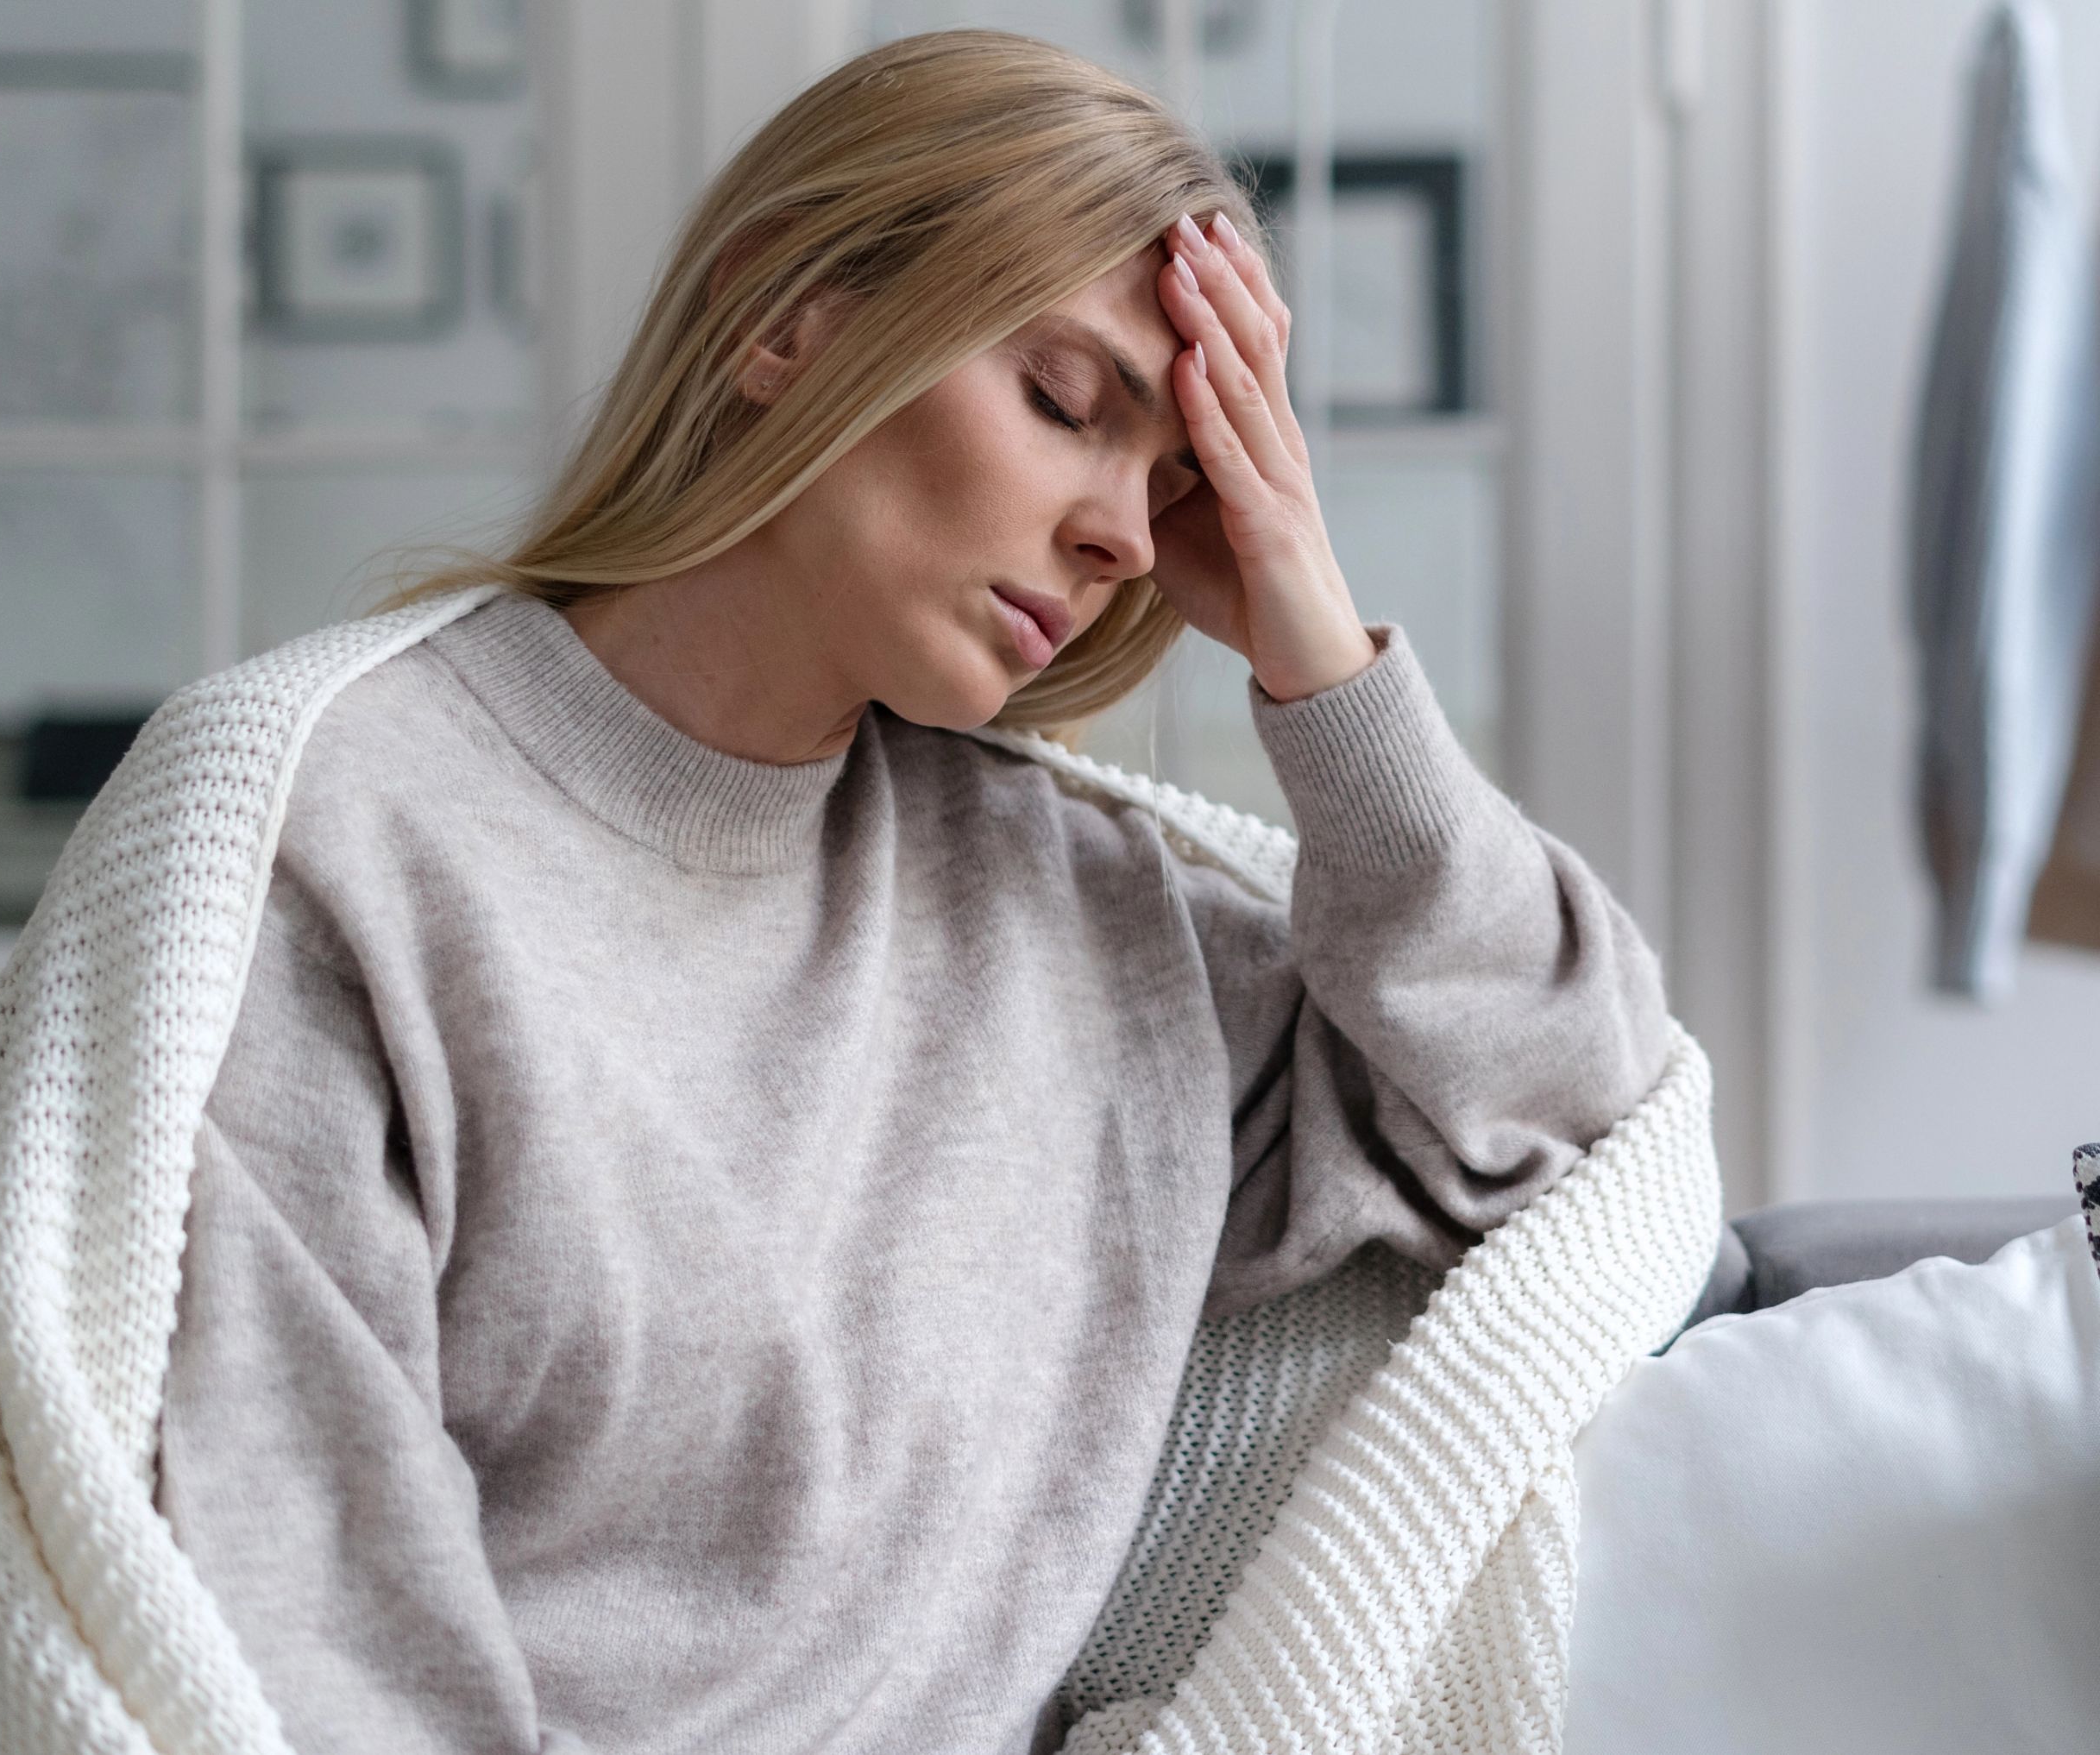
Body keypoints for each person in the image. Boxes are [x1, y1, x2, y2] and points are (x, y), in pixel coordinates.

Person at [148, 26, 1670, 1755]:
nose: (1119, 542)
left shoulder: (1074, 916)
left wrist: (1319, 664)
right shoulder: (335, 832)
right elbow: (301, 1628)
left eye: (1177, 488)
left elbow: (1565, 1108)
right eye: (1064, 404)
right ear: (786, 320)